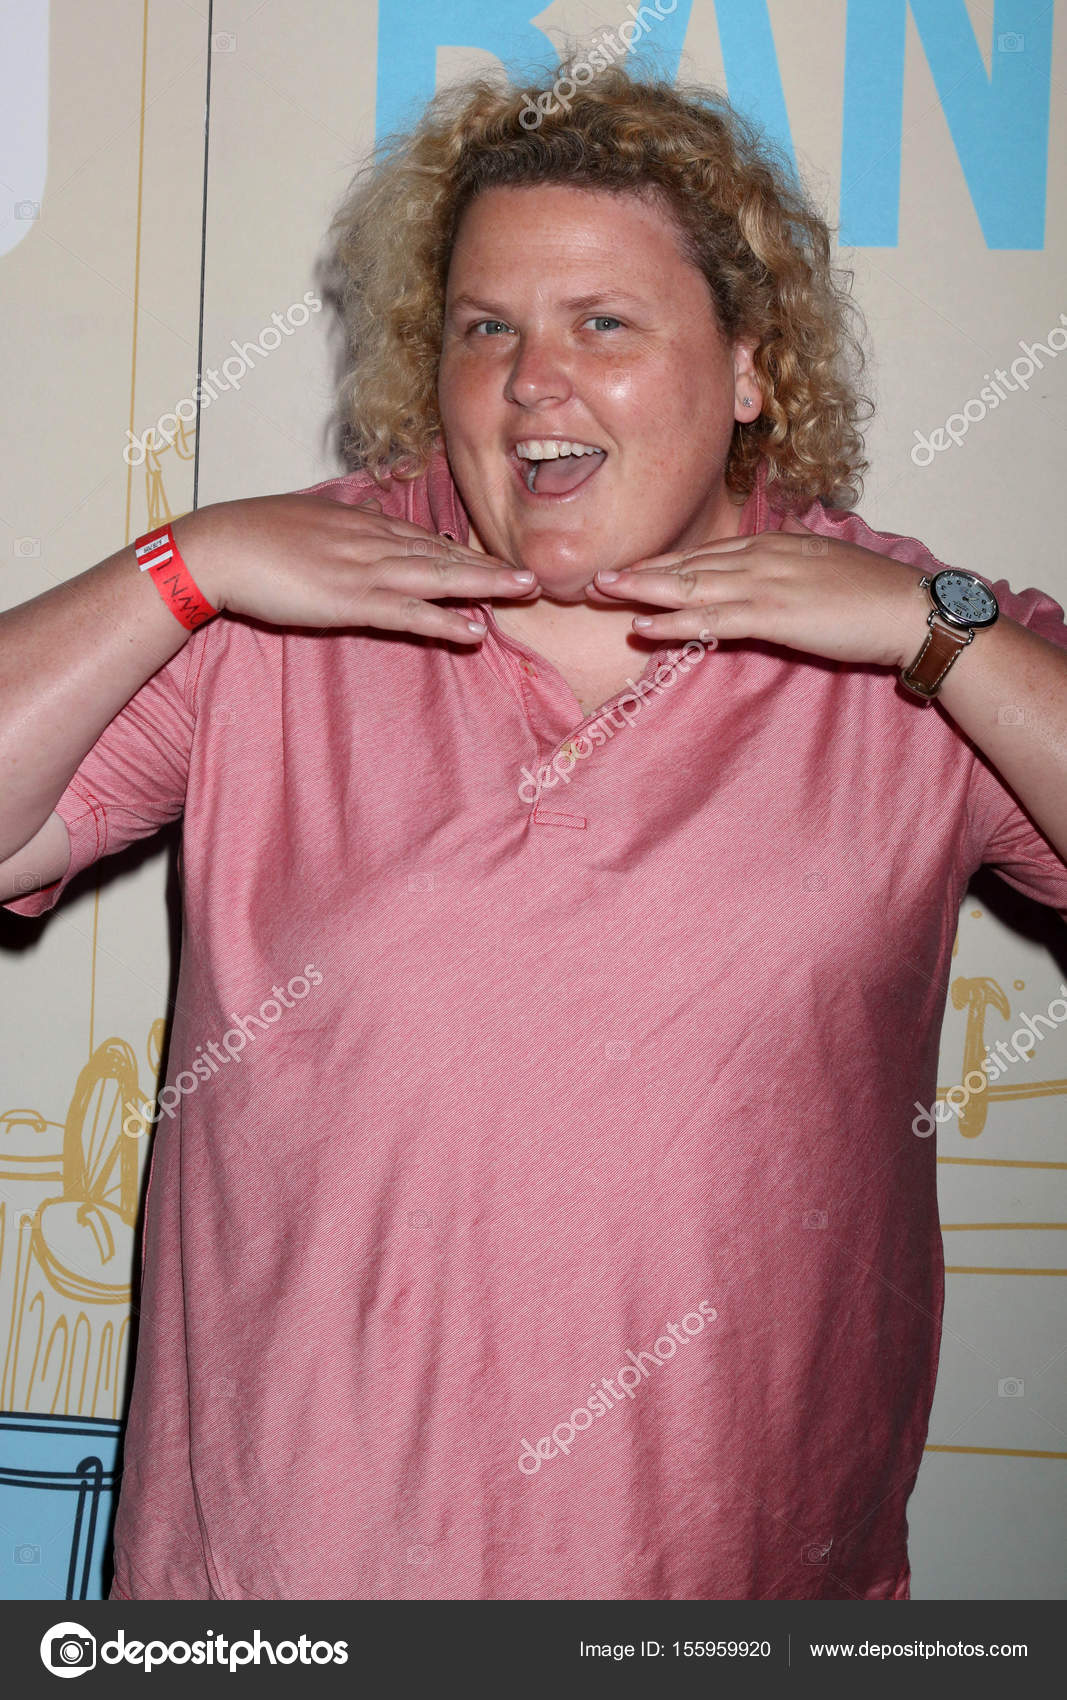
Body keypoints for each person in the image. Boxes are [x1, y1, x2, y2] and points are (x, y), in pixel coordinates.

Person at [2, 62, 1065, 1603]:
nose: (530, 382)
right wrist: (187, 562)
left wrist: (941, 634)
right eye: (486, 329)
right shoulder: (292, 599)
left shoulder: (909, 640)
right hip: (286, 1596)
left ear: (753, 369)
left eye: (604, 325)